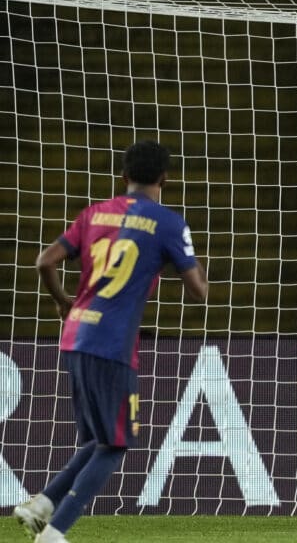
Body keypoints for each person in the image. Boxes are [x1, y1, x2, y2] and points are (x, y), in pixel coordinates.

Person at [14, 140, 208, 543]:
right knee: (117, 444)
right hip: (112, 343)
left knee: (96, 440)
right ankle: (54, 531)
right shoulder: (169, 223)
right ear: (165, 178)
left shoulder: (93, 214)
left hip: (75, 336)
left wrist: (65, 301)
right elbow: (199, 290)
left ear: (123, 177)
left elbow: (44, 261)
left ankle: (42, 504)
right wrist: (170, 254)